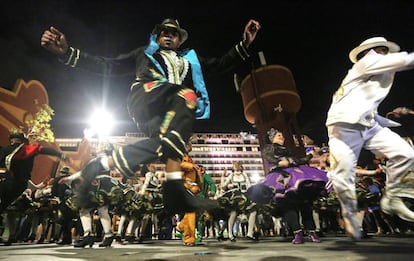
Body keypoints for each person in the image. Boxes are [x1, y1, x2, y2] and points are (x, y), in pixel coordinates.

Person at [40, 18, 260, 214]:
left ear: (179, 41)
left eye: (173, 33)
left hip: (167, 109)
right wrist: (67, 53)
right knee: (187, 95)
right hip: (145, 96)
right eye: (164, 32)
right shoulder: (144, 54)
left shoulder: (189, 60)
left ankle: (99, 166)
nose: (168, 36)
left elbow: (220, 64)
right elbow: (108, 65)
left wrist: (245, 44)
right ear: (157, 36)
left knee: (163, 145)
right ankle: (174, 188)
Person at [325, 36, 414, 240]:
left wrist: (388, 121)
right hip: (344, 125)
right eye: (382, 51)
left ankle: (392, 197)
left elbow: (368, 106)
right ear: (370, 52)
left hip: (369, 124)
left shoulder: (378, 72)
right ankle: (349, 217)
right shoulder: (368, 62)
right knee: (343, 174)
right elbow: (405, 61)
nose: (384, 55)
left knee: (406, 153)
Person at [0, 132, 70, 245]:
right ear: (22, 141)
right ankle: (10, 236)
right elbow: (44, 150)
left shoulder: (4, 150)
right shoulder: (26, 149)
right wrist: (61, 155)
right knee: (8, 209)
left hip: (4, 181)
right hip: (18, 184)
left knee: (6, 209)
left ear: (11, 140)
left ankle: (10, 235)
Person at [261, 128, 324, 244]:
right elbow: (269, 157)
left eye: (282, 136)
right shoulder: (269, 148)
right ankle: (297, 233)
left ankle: (312, 232)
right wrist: (279, 162)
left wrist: (309, 156)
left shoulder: (288, 150)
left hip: (296, 175)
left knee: (304, 203)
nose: (282, 137)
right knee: (289, 204)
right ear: (272, 138)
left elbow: (298, 161)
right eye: (279, 135)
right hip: (281, 177)